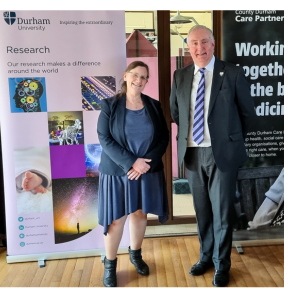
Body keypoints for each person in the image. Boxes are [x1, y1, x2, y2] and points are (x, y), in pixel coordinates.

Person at [170, 25, 255, 287]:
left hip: (223, 155)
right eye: (194, 43)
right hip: (193, 154)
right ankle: (205, 257)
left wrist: (229, 139)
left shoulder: (232, 73)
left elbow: (247, 114)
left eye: (204, 42)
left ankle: (222, 264)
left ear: (213, 44)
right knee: (202, 212)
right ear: (188, 47)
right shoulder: (180, 76)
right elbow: (177, 113)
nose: (199, 48)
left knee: (221, 212)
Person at [97, 60, 169, 287]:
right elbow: (104, 139)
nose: (140, 80)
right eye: (136, 75)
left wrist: (146, 164)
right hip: (119, 172)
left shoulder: (154, 105)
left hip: (146, 171)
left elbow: (163, 137)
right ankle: (110, 265)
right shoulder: (110, 105)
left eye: (144, 77)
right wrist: (131, 163)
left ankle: (135, 255)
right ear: (126, 76)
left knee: (139, 213)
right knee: (116, 220)